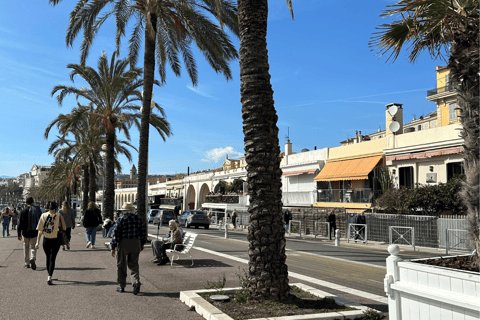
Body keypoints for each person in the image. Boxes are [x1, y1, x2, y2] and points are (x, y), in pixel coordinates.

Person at [110, 202, 146, 295]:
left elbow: (116, 233)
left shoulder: (121, 219)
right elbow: (143, 231)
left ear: (124, 211)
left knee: (121, 264)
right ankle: (136, 282)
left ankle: (122, 285)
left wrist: (113, 246)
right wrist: (142, 243)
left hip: (123, 242)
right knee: (134, 264)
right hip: (136, 242)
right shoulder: (138, 218)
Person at [35, 201, 67, 285]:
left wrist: (37, 242)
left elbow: (40, 231)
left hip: (46, 240)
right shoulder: (59, 216)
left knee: (48, 257)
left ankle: (49, 274)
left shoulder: (43, 215)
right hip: (55, 239)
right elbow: (64, 228)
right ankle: (50, 276)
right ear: (56, 208)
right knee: (53, 258)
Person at [17, 197, 42, 269]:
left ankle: (26, 263)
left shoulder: (23, 211)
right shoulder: (37, 210)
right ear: (32, 202)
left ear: (26, 203)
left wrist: (19, 234)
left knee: (26, 247)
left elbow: (20, 223)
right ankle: (32, 258)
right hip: (34, 232)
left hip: (25, 233)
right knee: (33, 246)